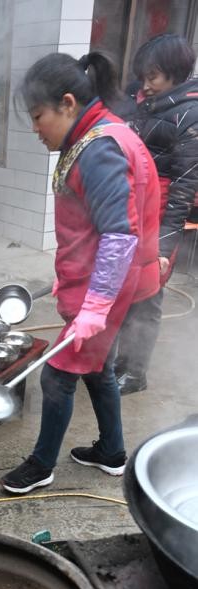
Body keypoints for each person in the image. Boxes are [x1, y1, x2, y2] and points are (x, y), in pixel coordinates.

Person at [1, 52, 160, 495]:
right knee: (98, 368)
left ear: (67, 103)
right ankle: (111, 452)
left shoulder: (99, 147)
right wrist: (68, 274)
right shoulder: (97, 132)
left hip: (106, 289)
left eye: (38, 117)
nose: (35, 130)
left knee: (57, 374)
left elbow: (118, 236)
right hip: (98, 282)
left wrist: (94, 305)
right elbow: (92, 225)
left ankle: (41, 465)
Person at [115, 34, 198, 395]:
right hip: (127, 209)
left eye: (154, 77)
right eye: (143, 75)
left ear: (176, 74)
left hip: (159, 215)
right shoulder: (140, 99)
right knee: (121, 289)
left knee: (147, 298)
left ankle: (136, 374)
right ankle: (119, 362)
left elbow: (183, 187)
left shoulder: (190, 114)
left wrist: (163, 248)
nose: (145, 84)